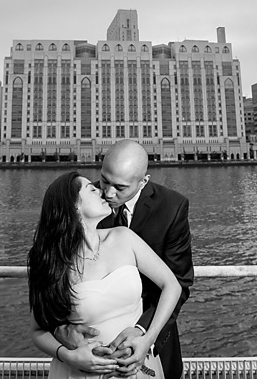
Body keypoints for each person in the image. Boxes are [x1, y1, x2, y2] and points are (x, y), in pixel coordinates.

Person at [56, 140, 194, 379]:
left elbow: (179, 282)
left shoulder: (172, 207)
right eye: (104, 181)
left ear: (143, 182)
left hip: (153, 337)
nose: (108, 194)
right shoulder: (87, 204)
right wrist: (62, 329)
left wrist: (143, 333)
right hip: (89, 349)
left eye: (120, 187)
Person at [29, 170, 182, 379]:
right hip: (80, 372)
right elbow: (38, 331)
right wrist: (69, 356)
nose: (103, 192)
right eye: (92, 189)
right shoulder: (51, 259)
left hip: (137, 367)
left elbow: (172, 286)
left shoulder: (124, 237)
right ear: (74, 205)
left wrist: (147, 339)